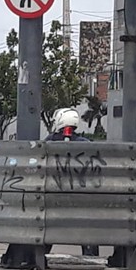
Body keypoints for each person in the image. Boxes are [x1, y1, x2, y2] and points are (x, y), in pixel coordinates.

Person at [44, 108, 99, 257]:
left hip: (52, 200)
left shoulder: (49, 142)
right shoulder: (86, 143)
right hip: (81, 201)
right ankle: (90, 255)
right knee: (88, 224)